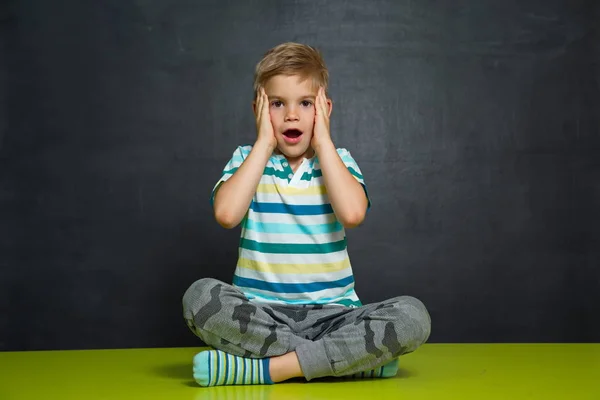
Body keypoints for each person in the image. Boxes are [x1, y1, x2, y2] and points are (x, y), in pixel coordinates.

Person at [182, 42, 431, 387]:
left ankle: (268, 370)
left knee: (412, 316)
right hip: (262, 318)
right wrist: (264, 144)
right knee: (199, 297)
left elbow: (353, 213)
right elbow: (226, 214)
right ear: (258, 110)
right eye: (278, 104)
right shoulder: (247, 160)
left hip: (335, 317)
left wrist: (325, 142)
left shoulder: (337, 162)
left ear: (324, 110)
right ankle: (345, 361)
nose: (292, 115)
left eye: (305, 103)